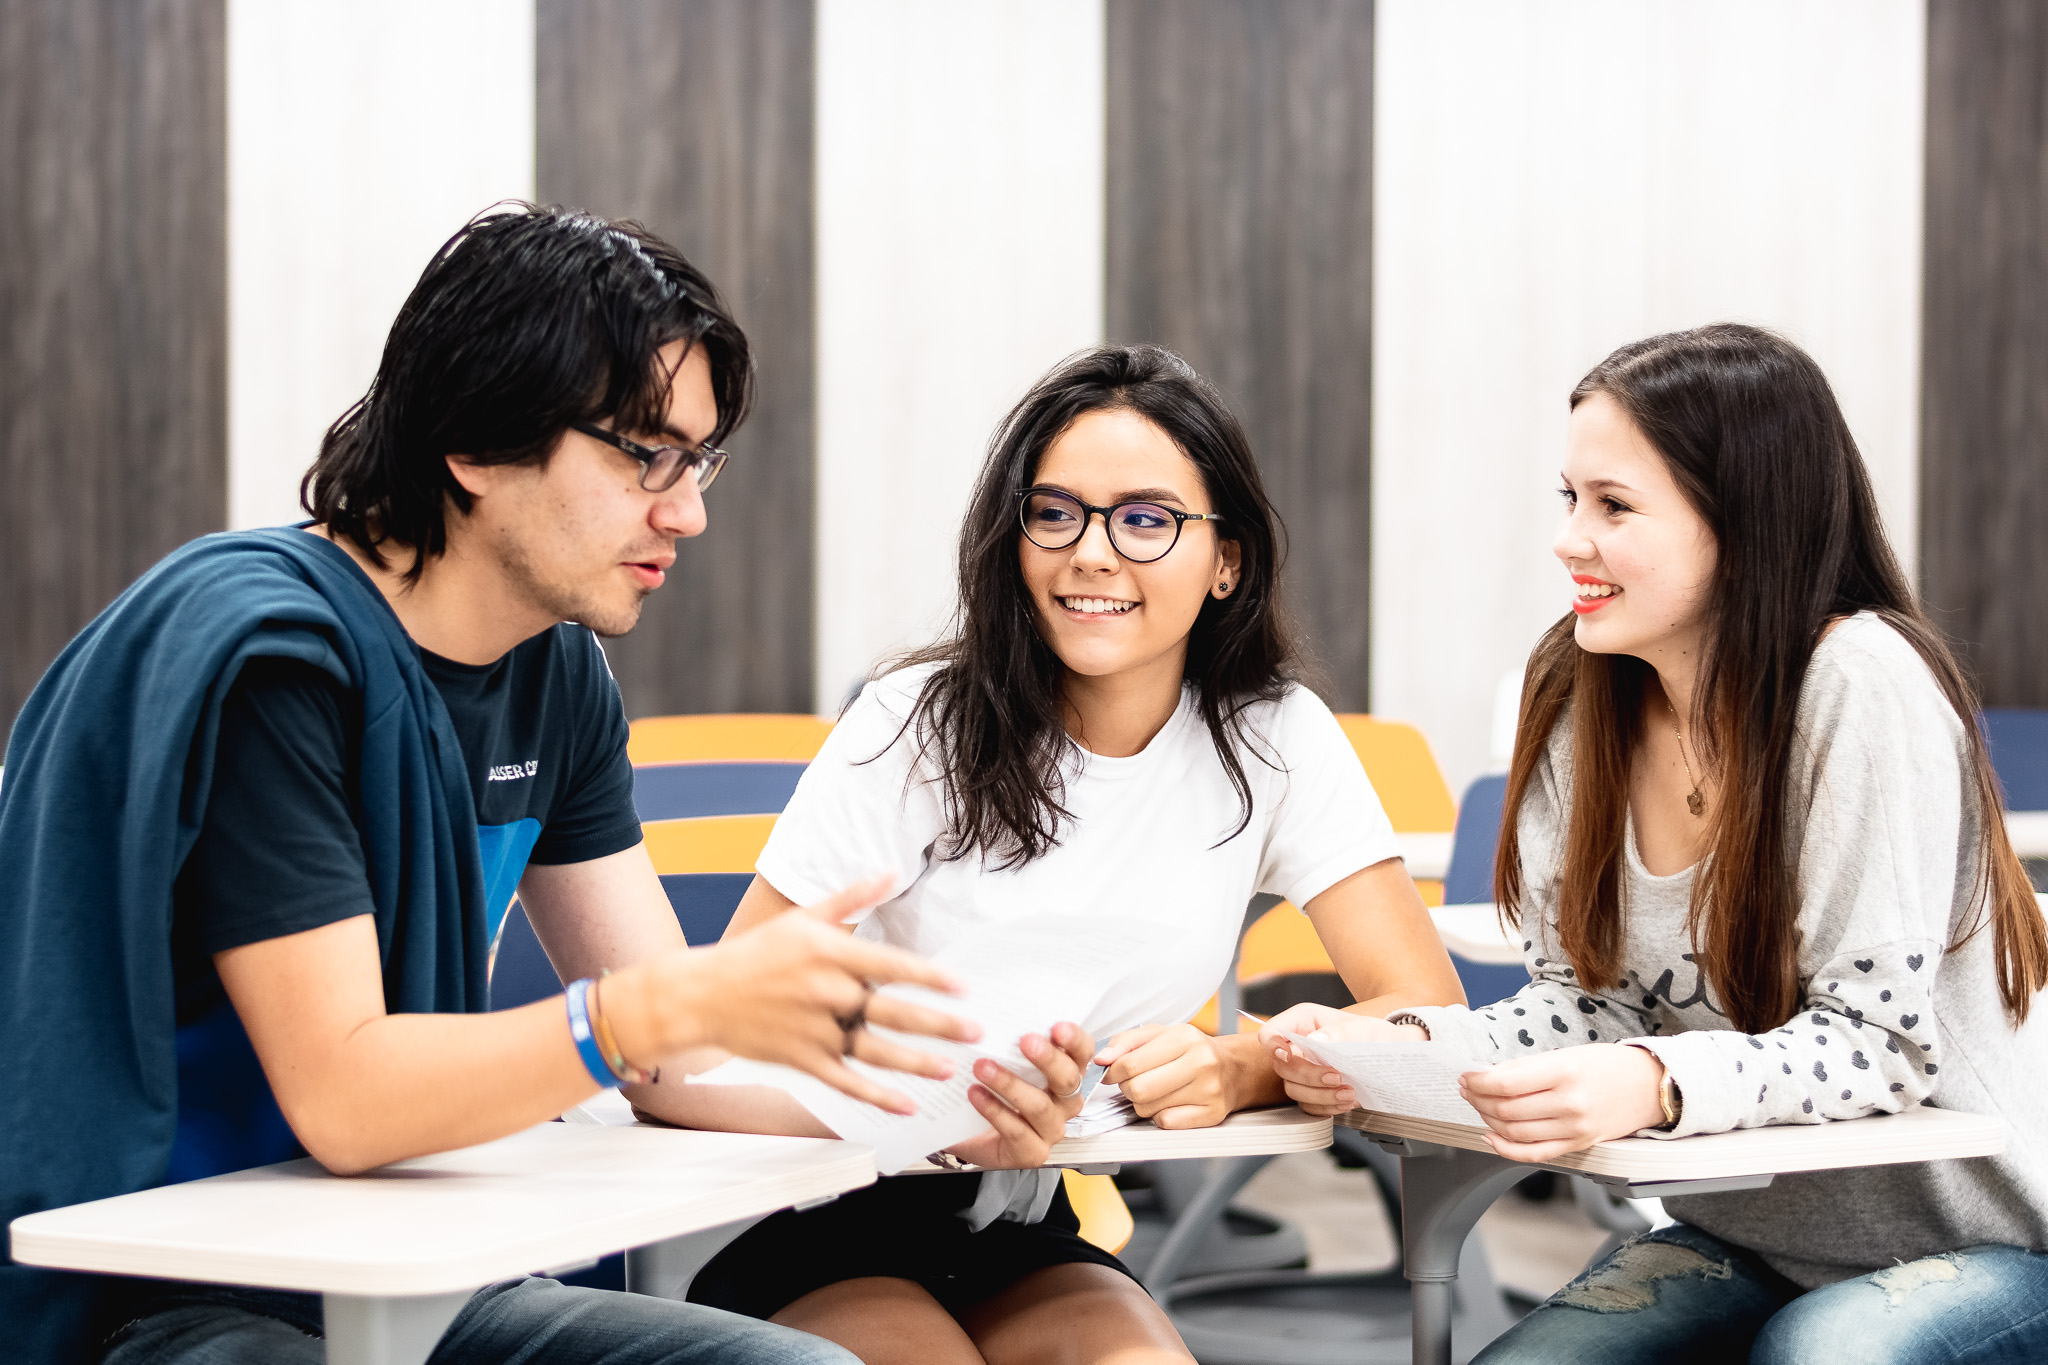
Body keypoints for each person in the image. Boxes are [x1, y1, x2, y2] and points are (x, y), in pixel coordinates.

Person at [0, 203, 982, 1365]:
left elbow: (668, 1057)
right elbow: (352, 1102)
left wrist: (956, 1111)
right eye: (643, 455)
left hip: (414, 1257)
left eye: (700, 458)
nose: (688, 510)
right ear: (473, 444)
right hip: (166, 1288)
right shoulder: (272, 662)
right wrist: (677, 1006)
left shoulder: (554, 671)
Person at [665, 344, 1467, 1365]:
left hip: (1016, 1224)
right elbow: (712, 1033)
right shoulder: (912, 723)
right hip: (822, 1207)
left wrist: (1241, 1063)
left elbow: (1425, 1012)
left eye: (1145, 519)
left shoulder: (1275, 737)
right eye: (1054, 514)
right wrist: (938, 1111)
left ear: (1226, 560)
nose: (1090, 552)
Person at [1262, 323, 2048, 1363]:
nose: (1567, 539)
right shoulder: (1580, 691)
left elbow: (1879, 1045)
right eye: (1569, 498)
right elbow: (1587, 1004)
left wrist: (1654, 1081)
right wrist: (1401, 1049)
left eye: (1613, 506)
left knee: (1822, 1354)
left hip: (1984, 1241)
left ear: (1741, 522)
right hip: (1750, 1234)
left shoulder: (1859, 683)